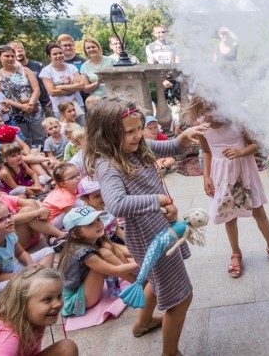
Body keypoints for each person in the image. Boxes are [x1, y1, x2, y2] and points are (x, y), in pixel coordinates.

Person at [84, 97, 209, 356]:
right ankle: (170, 352)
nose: (138, 135)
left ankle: (142, 323)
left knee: (152, 277)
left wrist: (184, 137)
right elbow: (116, 203)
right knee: (181, 298)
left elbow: (170, 147)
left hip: (158, 228)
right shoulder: (108, 164)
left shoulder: (138, 146)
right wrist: (158, 200)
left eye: (139, 127)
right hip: (150, 237)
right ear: (106, 136)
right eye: (129, 131)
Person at [189, 96, 269, 279]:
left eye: (212, 111)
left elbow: (256, 144)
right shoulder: (201, 126)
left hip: (244, 171)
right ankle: (236, 253)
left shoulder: (238, 120)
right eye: (204, 112)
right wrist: (206, 177)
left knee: (259, 212)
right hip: (221, 176)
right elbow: (206, 151)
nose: (208, 117)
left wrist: (240, 152)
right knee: (229, 216)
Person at [0, 265, 79, 356]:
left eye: (59, 296)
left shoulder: (35, 322)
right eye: (47, 299)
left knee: (66, 348)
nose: (58, 303)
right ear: (22, 305)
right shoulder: (5, 338)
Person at [58, 206, 137, 317]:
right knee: (104, 254)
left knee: (107, 247)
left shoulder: (94, 238)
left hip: (85, 288)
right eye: (90, 223)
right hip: (77, 300)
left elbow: (122, 250)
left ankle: (138, 278)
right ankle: (139, 283)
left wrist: (144, 252)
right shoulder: (81, 252)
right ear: (75, 234)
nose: (98, 224)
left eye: (98, 219)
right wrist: (140, 262)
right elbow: (115, 270)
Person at [0, 201, 55, 290]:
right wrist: (24, 274)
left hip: (11, 271)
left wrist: (31, 265)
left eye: (9, 216)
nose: (9, 220)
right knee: (18, 285)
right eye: (1, 220)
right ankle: (38, 282)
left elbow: (20, 253)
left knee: (48, 251)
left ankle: (39, 280)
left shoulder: (9, 234)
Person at [0, 175, 64, 251]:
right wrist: (36, 213)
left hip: (29, 236)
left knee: (31, 204)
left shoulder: (3, 198)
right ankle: (59, 236)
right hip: (13, 245)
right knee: (26, 211)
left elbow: (30, 202)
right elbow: (9, 221)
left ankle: (50, 237)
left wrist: (43, 208)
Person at [0, 45, 47, 148]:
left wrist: (30, 105)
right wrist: (21, 106)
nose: (10, 58)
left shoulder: (25, 70)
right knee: (23, 141)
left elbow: (36, 89)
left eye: (12, 56)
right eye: (7, 56)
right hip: (15, 114)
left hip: (34, 110)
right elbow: (0, 97)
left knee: (41, 138)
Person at [39, 43, 85, 125]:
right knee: (65, 132)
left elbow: (81, 85)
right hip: (60, 109)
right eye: (55, 54)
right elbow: (52, 92)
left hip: (77, 105)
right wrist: (73, 88)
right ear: (49, 56)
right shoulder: (46, 71)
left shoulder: (72, 67)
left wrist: (60, 87)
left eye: (60, 53)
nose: (58, 55)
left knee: (82, 130)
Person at [7, 40, 51, 114]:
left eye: (20, 50)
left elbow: (48, 81)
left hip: (46, 103)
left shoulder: (38, 65)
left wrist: (51, 97)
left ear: (24, 50)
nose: (18, 53)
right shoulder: (9, 71)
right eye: (14, 52)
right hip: (27, 107)